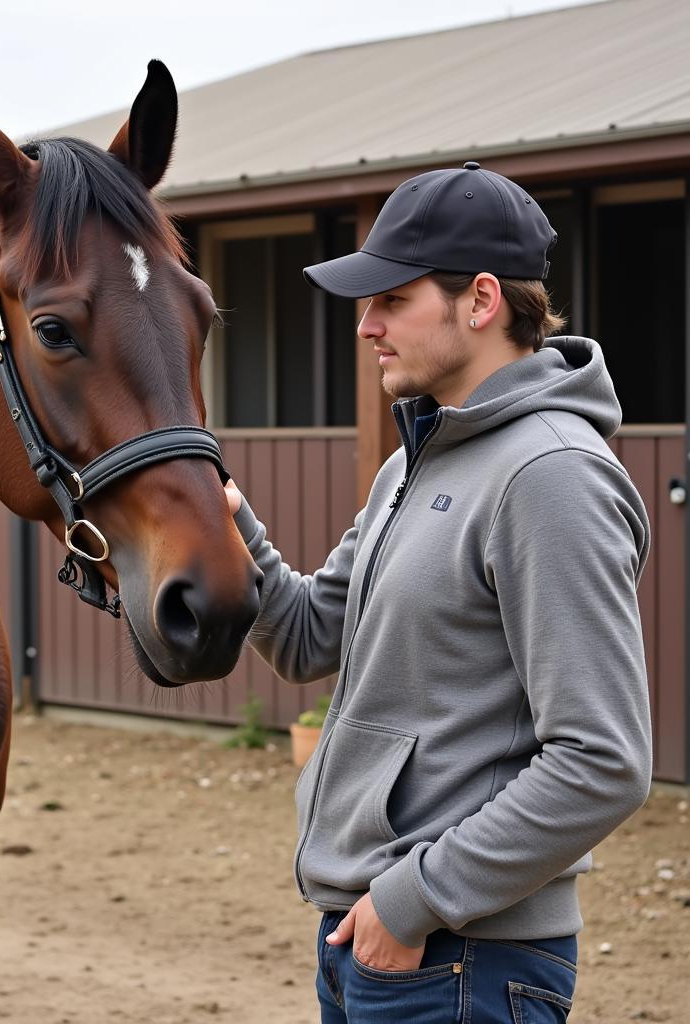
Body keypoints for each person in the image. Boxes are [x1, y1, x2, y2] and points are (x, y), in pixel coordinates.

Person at [223, 161, 653, 1023]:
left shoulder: (550, 475)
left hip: (462, 958)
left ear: (482, 300)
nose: (365, 326)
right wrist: (235, 528)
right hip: (375, 943)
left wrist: (413, 900)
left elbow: (603, 761)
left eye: (392, 300)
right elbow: (310, 637)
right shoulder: (411, 464)